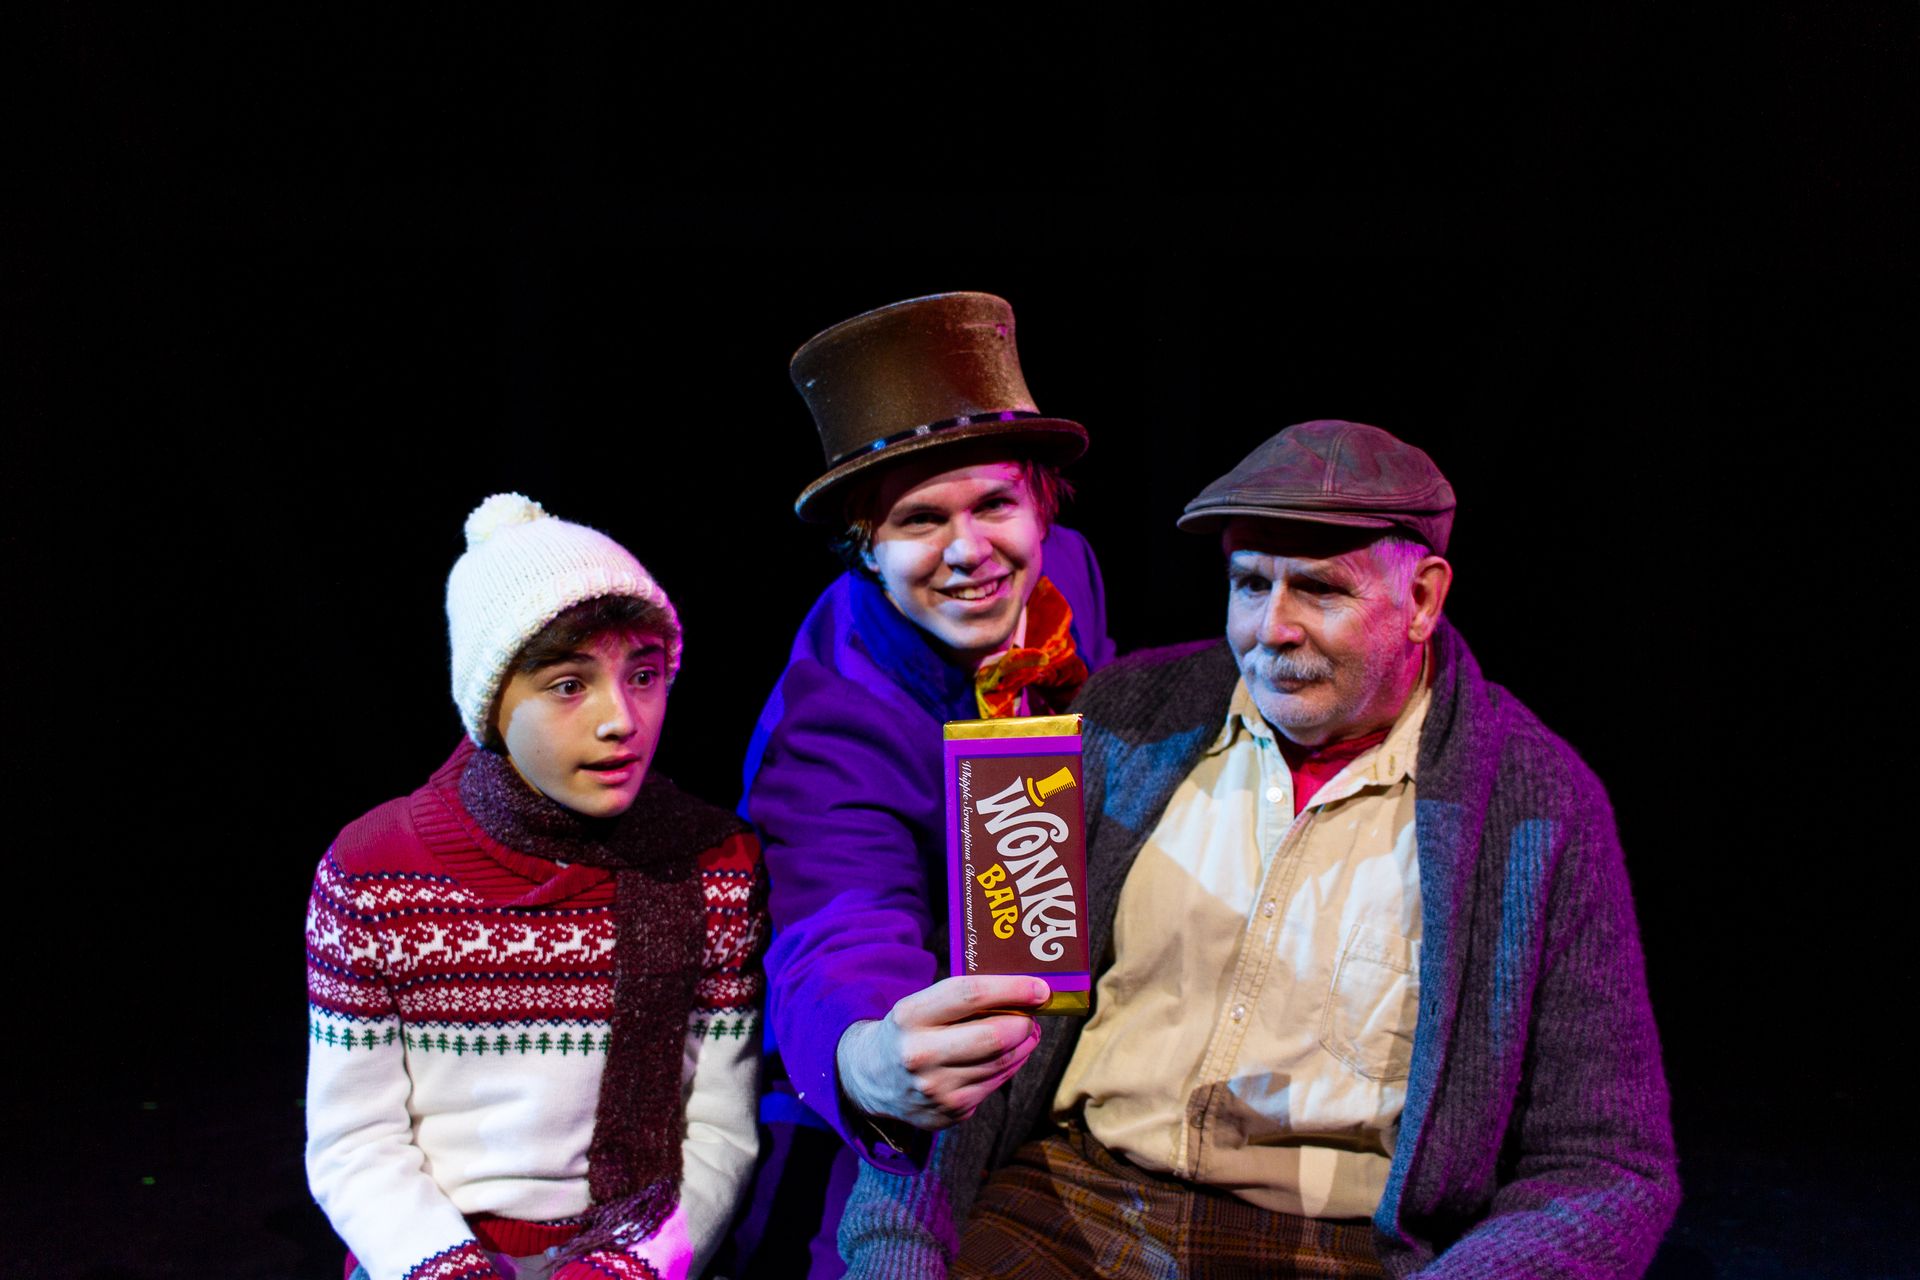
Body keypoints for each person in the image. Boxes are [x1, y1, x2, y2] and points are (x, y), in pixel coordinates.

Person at [839, 421, 1680, 1277]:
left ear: (1424, 599)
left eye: (1318, 590)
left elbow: (1606, 1167)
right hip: (1064, 1204)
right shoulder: (1119, 721)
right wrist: (896, 1250)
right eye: (1248, 584)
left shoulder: (1538, 807)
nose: (1271, 629)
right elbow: (971, 1036)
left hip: (1337, 1249)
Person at [730, 293, 1117, 1276]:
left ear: (1042, 504)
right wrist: (865, 1055)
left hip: (1072, 1040)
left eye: (994, 504)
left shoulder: (1067, 575)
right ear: (866, 544)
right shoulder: (832, 717)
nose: (969, 551)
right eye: (919, 519)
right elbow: (837, 917)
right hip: (916, 1073)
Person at [305, 494, 767, 1280]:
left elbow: (720, 1133)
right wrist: (448, 1269)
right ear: (491, 704)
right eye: (568, 685)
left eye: (644, 675)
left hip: (637, 1251)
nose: (621, 719)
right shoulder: (374, 869)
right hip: (426, 1255)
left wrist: (624, 1269)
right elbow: (355, 1143)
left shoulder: (714, 863)